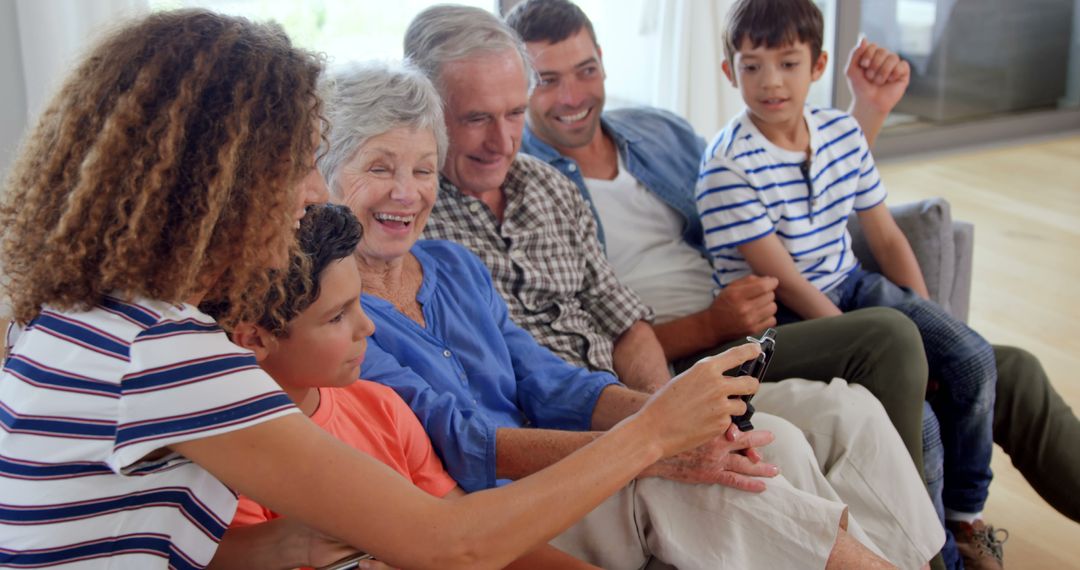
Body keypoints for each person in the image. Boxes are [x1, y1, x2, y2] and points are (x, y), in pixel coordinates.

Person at [0, 10, 773, 569]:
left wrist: (281, 543)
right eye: (301, 163)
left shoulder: (81, 315)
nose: (313, 193)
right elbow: (453, 544)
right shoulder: (168, 354)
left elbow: (113, 533)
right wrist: (653, 432)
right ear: (220, 184)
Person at [509, 0, 1080, 552]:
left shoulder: (658, 132)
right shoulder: (529, 192)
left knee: (1011, 369)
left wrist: (868, 113)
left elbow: (786, 180)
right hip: (701, 354)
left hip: (772, 313)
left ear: (604, 60)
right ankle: (935, 555)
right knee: (889, 336)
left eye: (585, 71)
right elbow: (587, 348)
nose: (573, 97)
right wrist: (712, 323)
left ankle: (957, 520)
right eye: (547, 80)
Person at [324, 58, 895, 569]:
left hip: (563, 473)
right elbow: (461, 442)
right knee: (702, 484)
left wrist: (673, 415)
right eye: (379, 168)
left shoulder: (452, 265)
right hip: (502, 517)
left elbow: (550, 381)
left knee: (768, 442)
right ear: (321, 174)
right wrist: (653, 444)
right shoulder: (333, 318)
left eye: (423, 170)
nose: (407, 192)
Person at [695, 1, 1002, 567]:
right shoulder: (727, 167)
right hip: (788, 318)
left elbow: (884, 239)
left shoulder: (839, 131)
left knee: (972, 356)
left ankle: (966, 520)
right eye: (752, 66)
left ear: (818, 65)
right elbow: (787, 284)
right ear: (728, 72)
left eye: (788, 63)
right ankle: (943, 562)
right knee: (924, 425)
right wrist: (895, 349)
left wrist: (926, 325)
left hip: (855, 285)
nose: (771, 82)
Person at [208, 203, 599, 570]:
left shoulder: (381, 406)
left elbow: (472, 541)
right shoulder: (227, 469)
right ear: (255, 340)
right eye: (336, 317)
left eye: (359, 302)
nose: (368, 327)